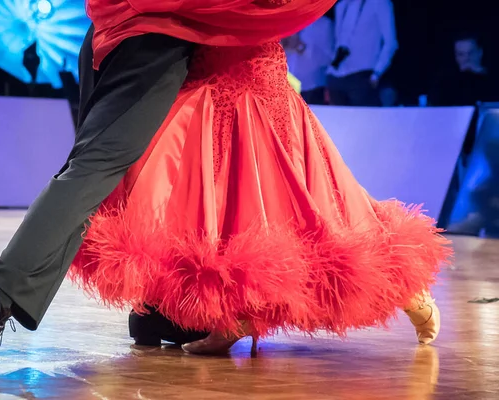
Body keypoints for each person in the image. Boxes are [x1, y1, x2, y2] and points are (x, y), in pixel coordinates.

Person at [0, 0, 336, 370]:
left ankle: (162, 309)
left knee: (107, 171)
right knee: (98, 166)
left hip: (120, 31)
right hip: (152, 36)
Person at [69, 0, 451, 355]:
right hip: (200, 73)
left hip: (251, 74)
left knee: (310, 205)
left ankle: (406, 290)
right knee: (198, 199)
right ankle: (218, 312)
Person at [326, 0, 398, 106]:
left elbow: (390, 43)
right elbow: (338, 41)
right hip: (336, 75)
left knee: (364, 120)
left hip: (362, 75)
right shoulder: (341, 6)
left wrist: (376, 74)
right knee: (336, 121)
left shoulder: (379, 3)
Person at [428, 33, 499, 106]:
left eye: (471, 53)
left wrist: (480, 74)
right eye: (461, 54)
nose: (466, 58)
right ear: (456, 56)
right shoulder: (444, 81)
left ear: (480, 52)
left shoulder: (494, 78)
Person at [283, 15, 334, 104]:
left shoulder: (324, 24)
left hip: (312, 88)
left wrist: (302, 47)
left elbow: (328, 60)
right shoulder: (285, 22)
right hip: (285, 87)